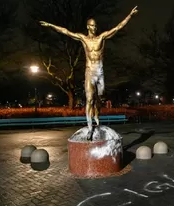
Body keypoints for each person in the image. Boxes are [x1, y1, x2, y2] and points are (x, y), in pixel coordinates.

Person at [40, 6, 138, 140]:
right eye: (92, 26)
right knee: (89, 99)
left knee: (99, 97)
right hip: (89, 71)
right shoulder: (83, 38)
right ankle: (90, 126)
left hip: (100, 72)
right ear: (87, 27)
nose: (94, 28)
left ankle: (97, 115)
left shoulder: (101, 37)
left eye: (95, 26)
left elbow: (118, 27)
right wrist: (51, 25)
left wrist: (130, 15)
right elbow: (66, 32)